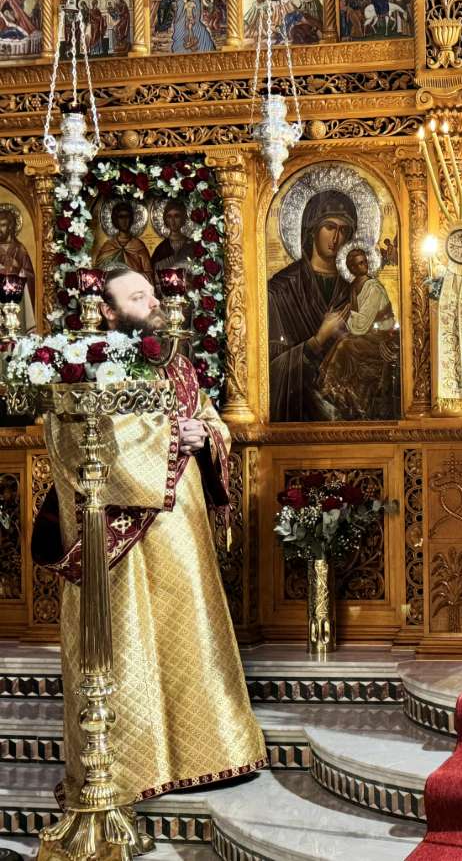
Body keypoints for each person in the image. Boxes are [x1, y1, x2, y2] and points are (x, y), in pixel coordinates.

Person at [34, 267, 267, 821]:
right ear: (108, 311)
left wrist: (204, 435)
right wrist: (167, 438)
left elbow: (209, 420)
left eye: (154, 294)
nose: (155, 303)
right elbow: (75, 440)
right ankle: (131, 768)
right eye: (139, 297)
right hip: (121, 537)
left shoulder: (176, 362)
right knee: (129, 638)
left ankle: (215, 752)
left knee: (192, 633)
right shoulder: (88, 365)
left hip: (183, 528)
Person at [267, 189, 356, 421]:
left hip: (346, 410)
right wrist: (317, 340)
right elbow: (268, 367)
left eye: (343, 230)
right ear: (312, 229)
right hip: (296, 411)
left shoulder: (354, 290)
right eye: (329, 227)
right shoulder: (281, 289)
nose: (336, 238)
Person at [316, 244, 398, 419]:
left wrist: (344, 315)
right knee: (341, 341)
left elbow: (362, 323)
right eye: (359, 264)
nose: (364, 265)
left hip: (381, 337)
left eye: (365, 261)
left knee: (345, 345)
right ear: (351, 268)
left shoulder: (373, 287)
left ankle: (335, 390)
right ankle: (337, 392)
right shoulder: (354, 286)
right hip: (367, 334)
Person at [96, 200, 153, 278]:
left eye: (127, 217)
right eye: (121, 217)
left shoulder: (139, 246)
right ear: (115, 220)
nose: (124, 221)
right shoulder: (108, 246)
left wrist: (133, 276)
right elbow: (99, 274)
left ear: (131, 219)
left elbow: (149, 275)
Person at [0, 204, 34, 330]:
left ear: (10, 227)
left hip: (16, 300)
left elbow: (30, 276)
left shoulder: (20, 249)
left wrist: (19, 271)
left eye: (3, 225)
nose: (0, 229)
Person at [150, 198, 197, 285]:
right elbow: (154, 277)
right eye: (169, 216)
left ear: (183, 218)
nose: (172, 221)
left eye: (176, 216)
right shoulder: (160, 249)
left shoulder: (192, 245)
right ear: (165, 220)